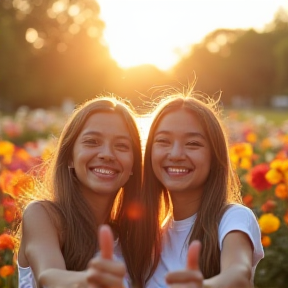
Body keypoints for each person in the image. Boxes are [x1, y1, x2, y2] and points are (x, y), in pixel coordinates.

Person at [136, 87, 264, 288]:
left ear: (214, 156)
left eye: (193, 143)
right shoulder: (151, 236)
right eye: (163, 141)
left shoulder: (232, 218)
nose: (176, 154)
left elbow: (238, 273)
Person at [15, 96, 143, 288]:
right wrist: (89, 280)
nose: (107, 154)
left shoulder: (131, 239)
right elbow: (49, 276)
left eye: (122, 146)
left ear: (133, 164)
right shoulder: (43, 216)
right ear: (70, 158)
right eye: (92, 141)